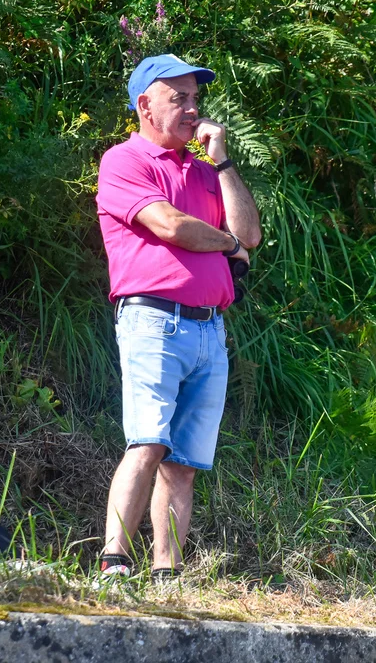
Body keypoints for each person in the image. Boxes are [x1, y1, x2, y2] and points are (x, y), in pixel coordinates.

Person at [94, 54, 262, 581]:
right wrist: (227, 245)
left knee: (183, 463)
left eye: (196, 99)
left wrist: (223, 161)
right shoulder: (124, 161)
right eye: (179, 98)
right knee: (147, 443)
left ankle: (166, 575)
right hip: (153, 321)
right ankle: (114, 562)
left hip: (210, 328)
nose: (193, 109)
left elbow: (250, 234)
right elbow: (170, 225)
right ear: (145, 105)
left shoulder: (205, 171)